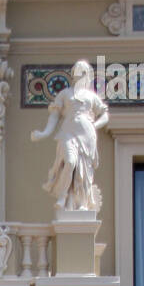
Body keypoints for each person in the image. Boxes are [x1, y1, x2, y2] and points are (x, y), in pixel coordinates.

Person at [30, 60, 109, 212]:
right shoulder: (65, 94)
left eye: (83, 73)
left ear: (87, 75)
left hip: (87, 135)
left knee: (83, 170)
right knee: (71, 162)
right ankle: (62, 195)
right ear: (73, 74)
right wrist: (44, 133)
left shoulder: (91, 97)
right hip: (68, 133)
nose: (79, 76)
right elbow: (54, 115)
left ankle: (80, 203)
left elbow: (105, 114)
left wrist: (95, 125)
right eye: (77, 72)